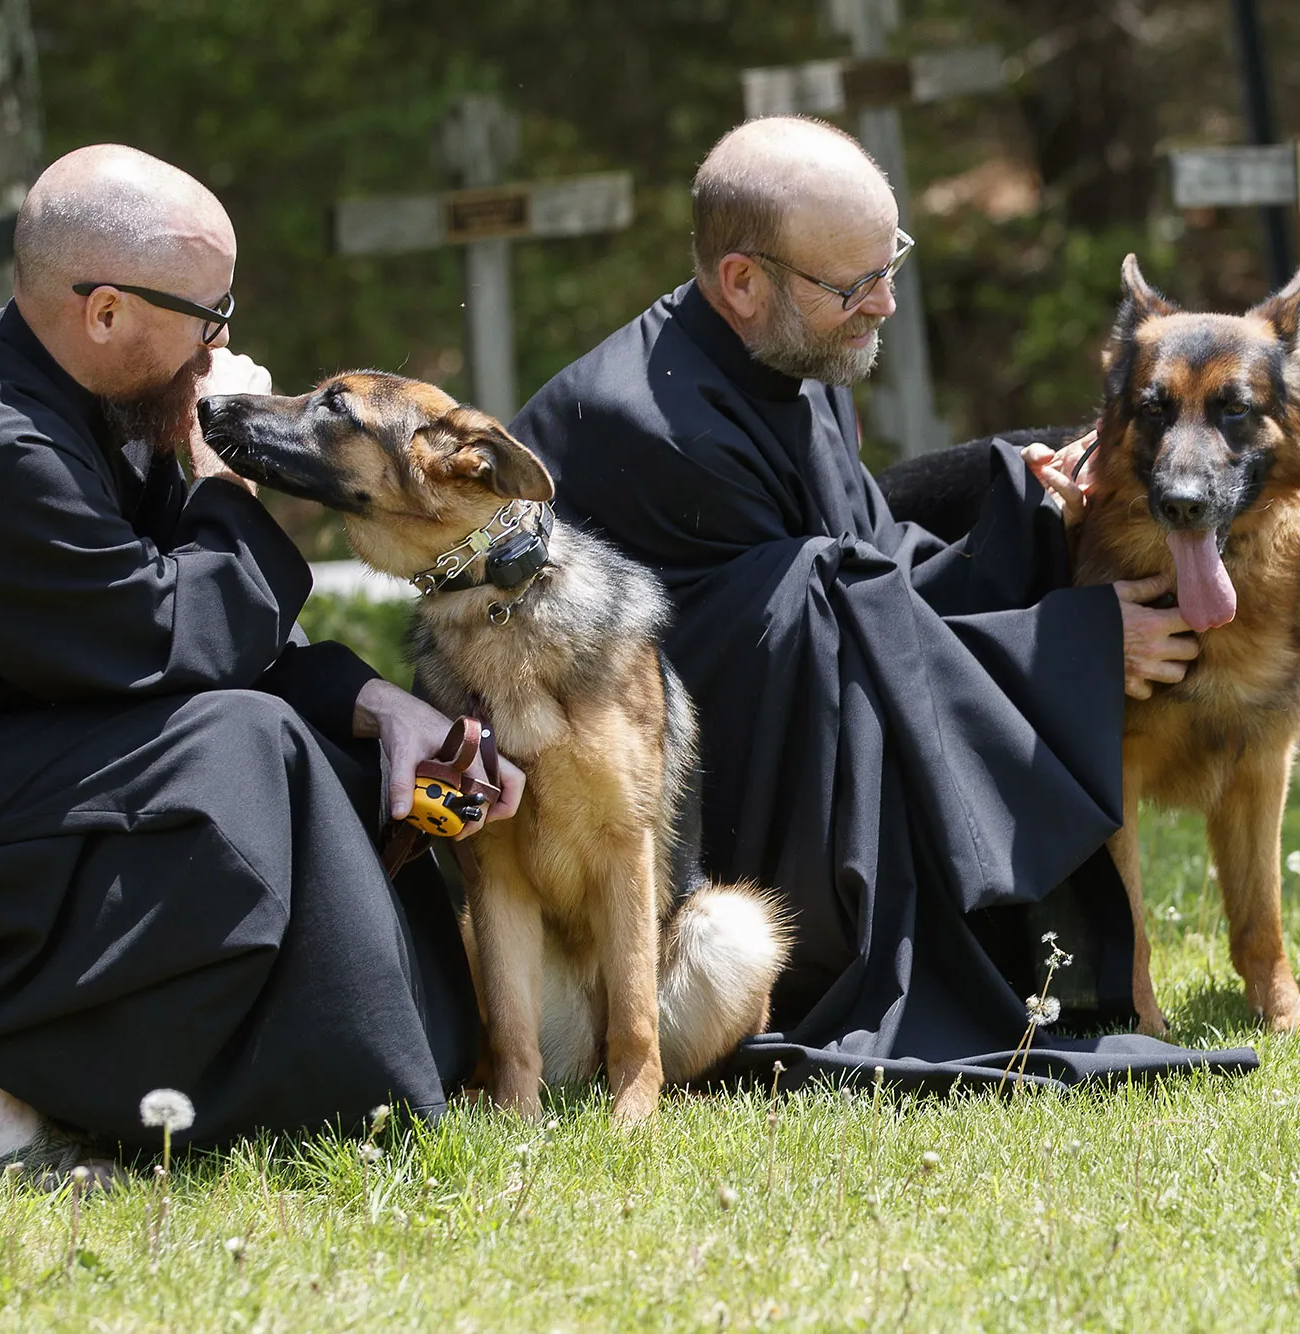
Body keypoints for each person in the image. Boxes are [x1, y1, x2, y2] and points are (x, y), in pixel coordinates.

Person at [0, 145, 516, 1180]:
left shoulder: (105, 408)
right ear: (104, 313)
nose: (226, 348)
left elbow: (198, 630)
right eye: (209, 315)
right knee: (237, 753)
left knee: (314, 744)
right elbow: (176, 644)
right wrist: (229, 486)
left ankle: (342, 1072)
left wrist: (375, 708)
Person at [512, 117, 1256, 1091]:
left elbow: (864, 570)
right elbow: (813, 641)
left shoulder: (790, 357)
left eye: (888, 261)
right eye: (852, 284)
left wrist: (1015, 506)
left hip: (768, 734)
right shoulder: (646, 425)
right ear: (742, 282)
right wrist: (1072, 646)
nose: (885, 302)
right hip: (665, 833)